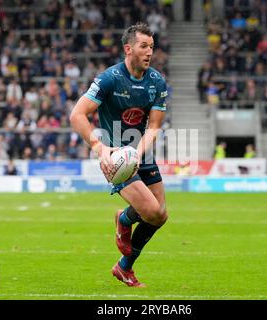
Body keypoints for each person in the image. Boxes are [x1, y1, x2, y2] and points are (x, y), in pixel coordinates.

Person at [70, 23, 168, 288]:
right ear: (128, 49)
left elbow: (155, 126)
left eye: (152, 47)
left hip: (139, 152)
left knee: (160, 215)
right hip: (115, 157)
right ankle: (125, 220)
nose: (149, 52)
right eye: (143, 46)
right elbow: (77, 115)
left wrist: (137, 153)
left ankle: (124, 265)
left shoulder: (157, 82)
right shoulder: (109, 78)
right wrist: (99, 147)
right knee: (148, 210)